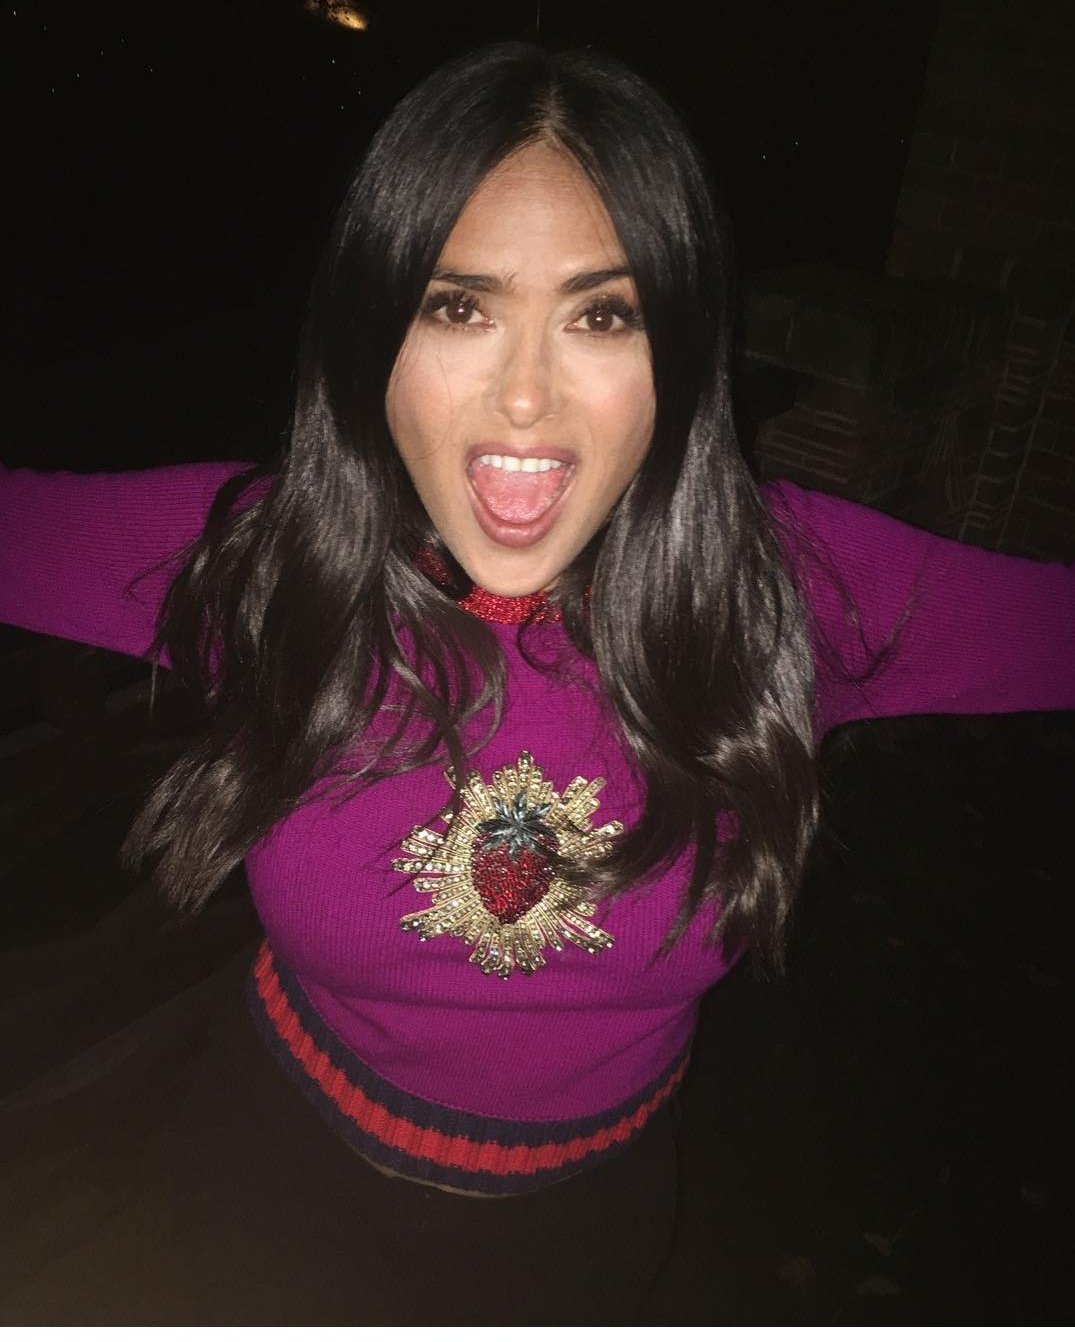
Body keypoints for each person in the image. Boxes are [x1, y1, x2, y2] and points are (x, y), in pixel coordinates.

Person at [0, 40, 1072, 1326]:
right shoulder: (274, 563)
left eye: (601, 315)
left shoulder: (787, 590)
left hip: (586, 1233)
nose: (523, 396)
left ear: (684, 350)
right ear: (371, 335)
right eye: (458, 307)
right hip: (264, 1181)